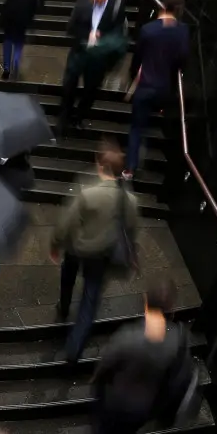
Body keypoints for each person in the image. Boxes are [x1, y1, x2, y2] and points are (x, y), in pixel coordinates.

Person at [90, 279, 188, 434]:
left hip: (116, 401)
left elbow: (106, 366)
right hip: (142, 408)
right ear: (170, 309)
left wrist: (96, 386)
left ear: (146, 304)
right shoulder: (175, 340)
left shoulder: (128, 337)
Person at [50, 144, 138, 363]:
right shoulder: (129, 201)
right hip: (101, 255)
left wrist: (55, 243)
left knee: (67, 273)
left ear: (102, 167)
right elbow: (130, 230)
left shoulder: (88, 194)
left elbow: (67, 222)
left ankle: (63, 305)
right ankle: (74, 349)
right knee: (90, 301)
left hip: (77, 247)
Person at [125, 0, 189, 177]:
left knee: (136, 127)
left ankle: (130, 168)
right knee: (148, 119)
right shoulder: (182, 31)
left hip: (145, 85)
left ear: (161, 5)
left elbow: (138, 58)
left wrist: (132, 76)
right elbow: (183, 59)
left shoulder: (148, 30)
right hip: (164, 88)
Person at [59, 0, 128, 137]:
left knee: (90, 90)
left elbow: (118, 33)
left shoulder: (117, 5)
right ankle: (64, 118)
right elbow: (70, 28)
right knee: (69, 86)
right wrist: (87, 35)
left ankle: (79, 117)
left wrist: (101, 38)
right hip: (78, 53)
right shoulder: (83, 2)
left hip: (98, 59)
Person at [0, 0, 42, 80]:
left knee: (8, 36)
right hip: (27, 6)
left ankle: (7, 67)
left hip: (12, 4)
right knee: (20, 36)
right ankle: (16, 60)